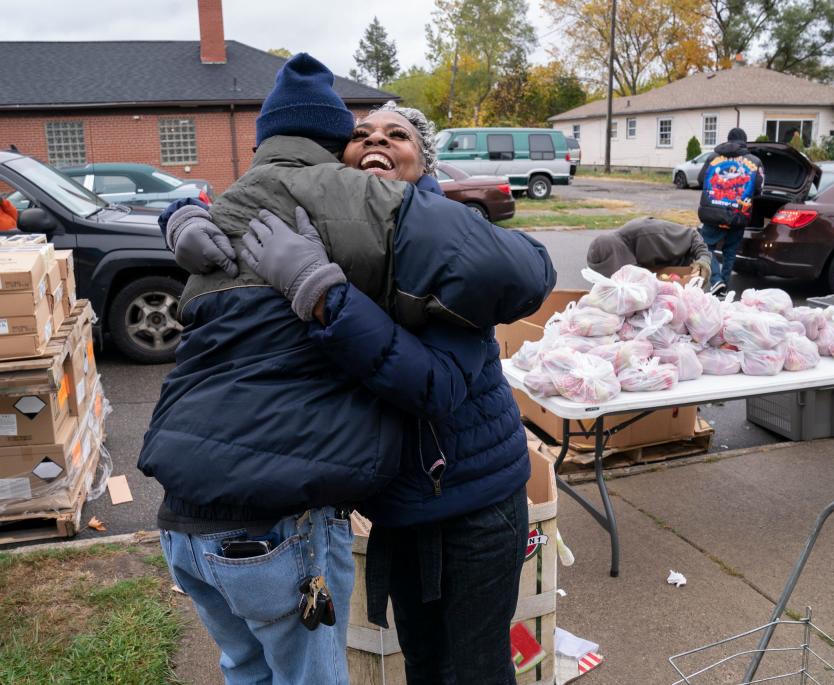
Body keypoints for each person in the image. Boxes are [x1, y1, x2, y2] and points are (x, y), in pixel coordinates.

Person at [140, 54, 554, 685]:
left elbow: (437, 387)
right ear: (339, 158)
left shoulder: (444, 253)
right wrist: (181, 217)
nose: (377, 141)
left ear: (426, 160)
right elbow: (260, 196)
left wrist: (323, 294)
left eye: (398, 134)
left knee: (472, 670)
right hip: (398, 506)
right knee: (421, 661)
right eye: (362, 134)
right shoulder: (332, 227)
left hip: (470, 500)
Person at [697, 127, 764, 294]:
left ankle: (716, 281)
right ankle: (722, 285)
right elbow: (758, 188)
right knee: (730, 251)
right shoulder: (755, 161)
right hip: (738, 213)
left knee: (706, 247)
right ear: (744, 142)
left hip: (711, 212)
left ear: (728, 140)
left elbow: (700, 179)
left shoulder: (713, 157)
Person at [586, 217, 711, 281]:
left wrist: (703, 260)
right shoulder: (612, 249)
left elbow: (693, 235)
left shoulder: (649, 233)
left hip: (683, 276)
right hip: (653, 282)